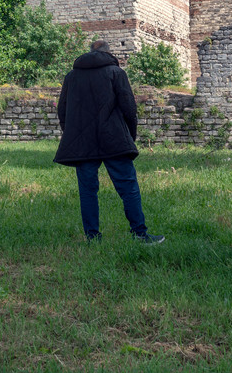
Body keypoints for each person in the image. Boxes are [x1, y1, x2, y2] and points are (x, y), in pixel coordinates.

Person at [55, 39, 164, 244]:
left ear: (89, 52)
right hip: (114, 138)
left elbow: (62, 109)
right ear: (109, 53)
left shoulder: (72, 76)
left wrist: (71, 133)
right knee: (128, 186)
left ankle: (92, 238)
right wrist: (129, 136)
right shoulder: (116, 73)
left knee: (87, 190)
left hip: (82, 141)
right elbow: (129, 108)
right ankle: (140, 234)